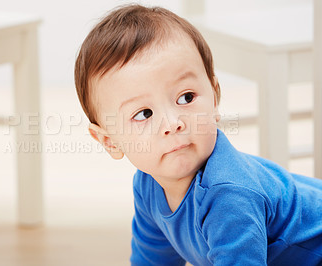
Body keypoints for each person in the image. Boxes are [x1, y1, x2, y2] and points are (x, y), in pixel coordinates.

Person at [74, 4, 322, 266]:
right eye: (144, 114)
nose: (172, 123)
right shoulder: (148, 185)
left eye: (186, 97)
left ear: (214, 98)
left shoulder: (229, 195)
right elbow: (152, 259)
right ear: (109, 141)